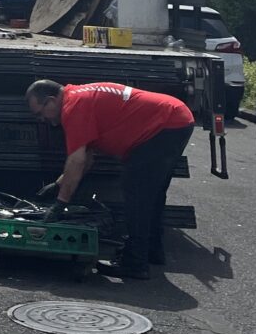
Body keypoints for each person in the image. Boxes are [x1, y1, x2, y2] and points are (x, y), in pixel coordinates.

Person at [26, 79, 196, 280]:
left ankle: (135, 264)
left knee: (137, 191)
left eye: (40, 113)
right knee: (152, 193)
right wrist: (58, 185)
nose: (42, 119)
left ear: (51, 101)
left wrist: (60, 203)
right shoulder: (78, 97)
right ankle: (151, 251)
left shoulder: (73, 107)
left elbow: (77, 160)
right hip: (175, 118)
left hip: (164, 124)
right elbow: (87, 158)